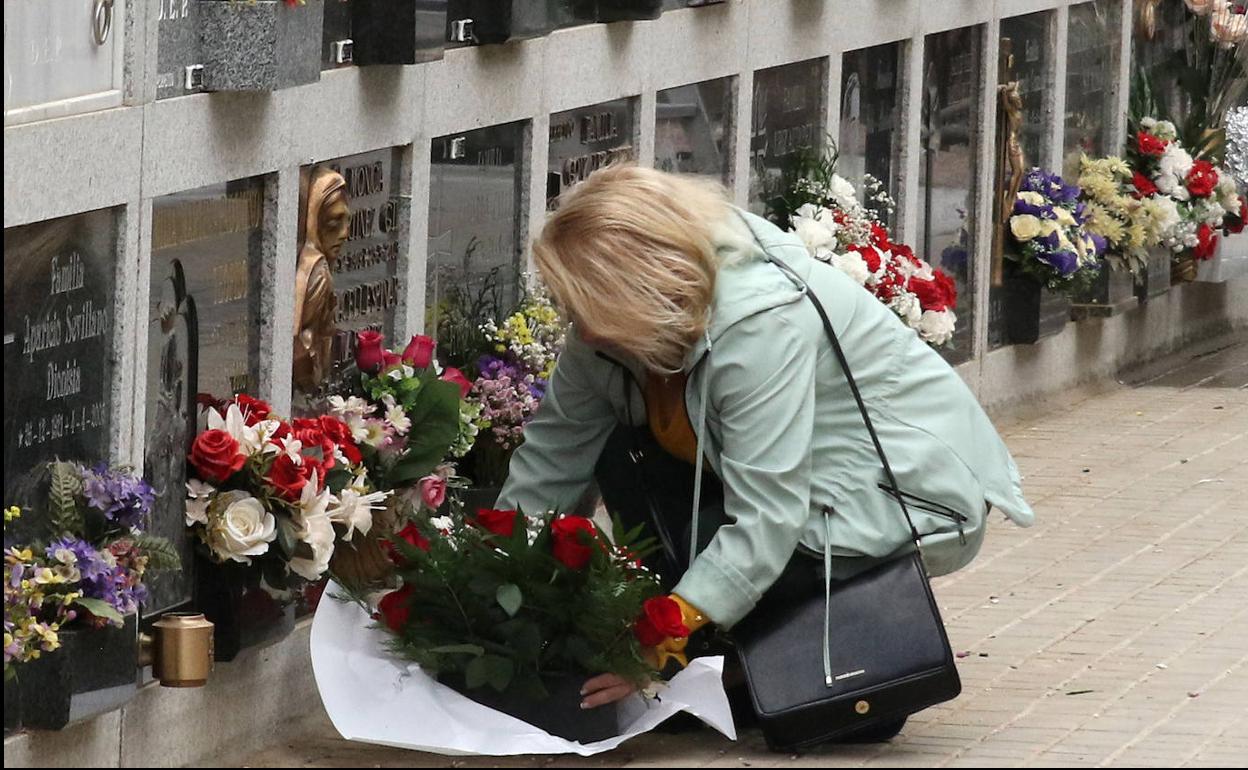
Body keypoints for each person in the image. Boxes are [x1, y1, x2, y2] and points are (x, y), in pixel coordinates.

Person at [495, 165, 1035, 741]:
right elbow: (553, 459)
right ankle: (724, 661)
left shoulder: (756, 325)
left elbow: (767, 516)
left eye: (584, 305)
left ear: (639, 290)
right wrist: (491, 571)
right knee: (618, 453)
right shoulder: (604, 325)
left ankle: (748, 661)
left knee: (807, 695)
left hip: (887, 489)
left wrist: (660, 636)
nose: (577, 326)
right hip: (769, 489)